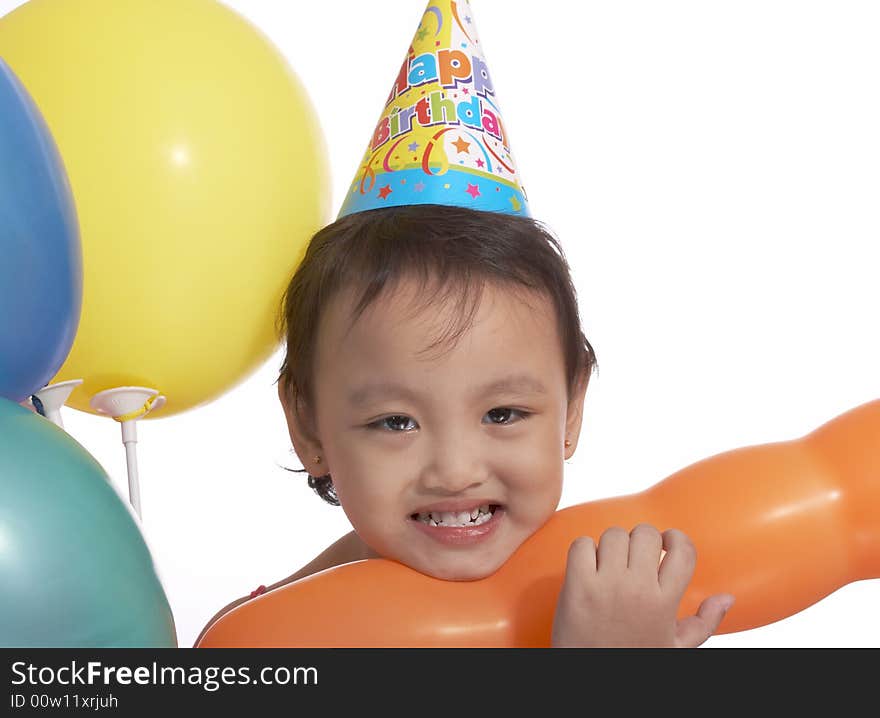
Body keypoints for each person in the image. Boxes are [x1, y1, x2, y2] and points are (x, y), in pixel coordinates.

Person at [194, 203, 735, 648]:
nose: (455, 471)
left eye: (502, 414)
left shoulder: (619, 610)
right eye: (396, 422)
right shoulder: (271, 647)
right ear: (309, 429)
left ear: (571, 409)